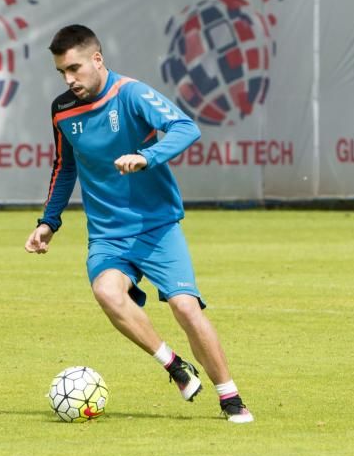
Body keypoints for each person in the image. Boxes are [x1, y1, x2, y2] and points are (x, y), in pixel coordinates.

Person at [24, 24, 253, 424]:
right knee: (107, 292)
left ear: (97, 59)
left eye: (75, 68)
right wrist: (49, 223)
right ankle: (175, 366)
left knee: (184, 306)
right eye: (62, 72)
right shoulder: (62, 110)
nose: (69, 79)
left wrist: (148, 157)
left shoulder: (131, 94)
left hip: (157, 226)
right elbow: (65, 167)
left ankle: (229, 396)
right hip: (109, 235)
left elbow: (187, 128)